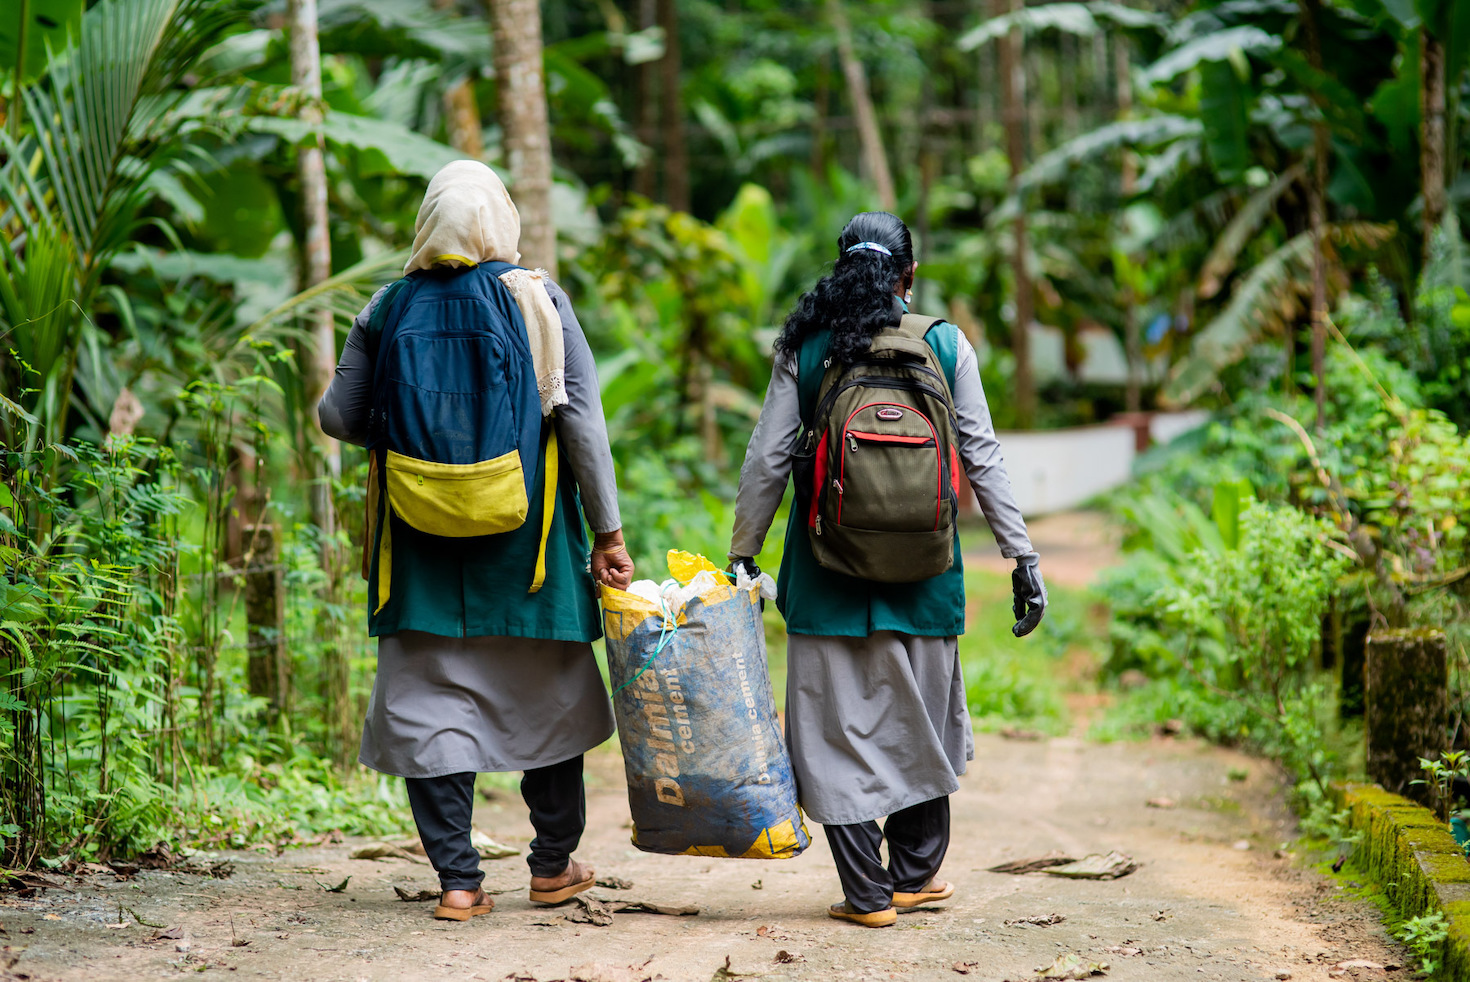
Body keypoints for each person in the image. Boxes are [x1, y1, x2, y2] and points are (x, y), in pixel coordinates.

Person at [318, 160, 634, 922]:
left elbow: (337, 417)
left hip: (420, 550)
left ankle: (459, 881)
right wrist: (609, 535)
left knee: (429, 710)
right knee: (549, 703)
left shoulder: (388, 307)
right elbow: (583, 426)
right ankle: (553, 868)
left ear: (428, 223)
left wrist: (416, 439)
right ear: (500, 222)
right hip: (527, 551)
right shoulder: (538, 299)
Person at [728, 211, 1046, 928]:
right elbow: (983, 455)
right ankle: (912, 876)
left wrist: (743, 551)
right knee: (921, 725)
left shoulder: (807, 348)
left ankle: (866, 894)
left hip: (824, 572)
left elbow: (768, 459)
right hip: (926, 573)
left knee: (831, 735)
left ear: (840, 269)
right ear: (909, 276)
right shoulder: (945, 343)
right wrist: (1021, 555)